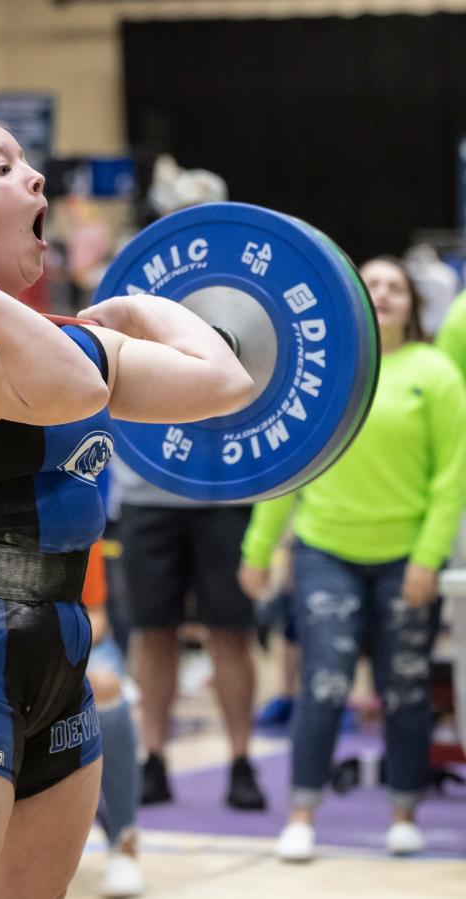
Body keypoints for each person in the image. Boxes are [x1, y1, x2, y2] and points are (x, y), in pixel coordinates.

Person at [0, 95, 252, 899]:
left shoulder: (51, 335)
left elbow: (225, 380)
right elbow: (79, 386)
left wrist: (143, 303)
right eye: (1, 167)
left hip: (62, 643)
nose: (36, 174)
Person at [239, 256, 466, 861]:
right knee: (323, 683)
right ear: (354, 300)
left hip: (405, 560)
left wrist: (428, 558)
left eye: (396, 287)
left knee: (406, 688)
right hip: (325, 551)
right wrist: (258, 548)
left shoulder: (437, 373)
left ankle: (404, 810)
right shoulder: (328, 368)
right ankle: (302, 816)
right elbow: (289, 467)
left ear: (413, 305)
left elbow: (451, 478)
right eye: (373, 285)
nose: (384, 294)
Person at [111, 165, 266, 812]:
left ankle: (240, 759)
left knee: (231, 631)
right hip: (150, 487)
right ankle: (152, 756)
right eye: (181, 210)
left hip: (227, 486)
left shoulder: (253, 289)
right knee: (155, 630)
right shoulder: (137, 286)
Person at [84, 539, 144, 897]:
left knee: (105, 686)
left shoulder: (70, 503)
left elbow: (96, 615)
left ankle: (124, 839)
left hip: (66, 636)